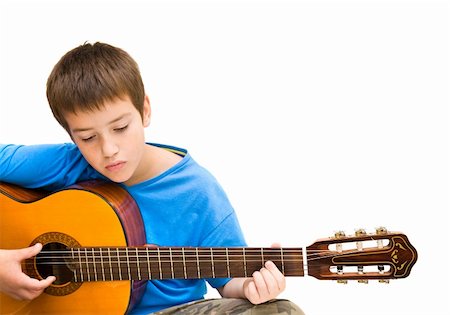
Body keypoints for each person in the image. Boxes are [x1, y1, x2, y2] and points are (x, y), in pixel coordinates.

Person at [0, 42, 304, 314]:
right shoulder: (67, 163)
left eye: (120, 128)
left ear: (145, 111)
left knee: (279, 311)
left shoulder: (197, 191)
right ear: (72, 137)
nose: (109, 149)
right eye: (88, 137)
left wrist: (252, 287)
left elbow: (229, 283)